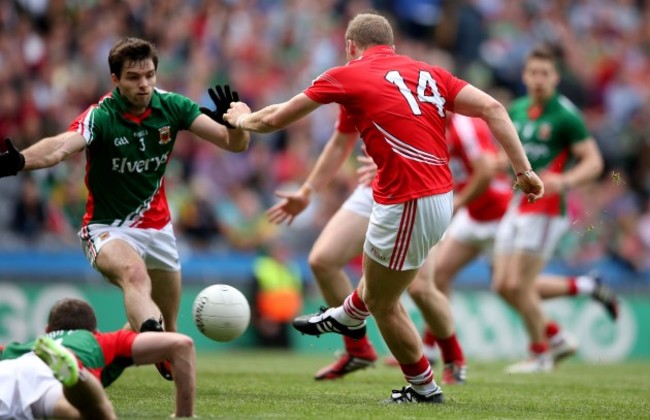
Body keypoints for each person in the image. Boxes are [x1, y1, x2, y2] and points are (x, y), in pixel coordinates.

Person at [224, 12, 542, 403]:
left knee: (388, 300)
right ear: (392, 45)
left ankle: (419, 379)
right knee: (364, 284)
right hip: (429, 195)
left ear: (349, 46)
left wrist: (241, 119)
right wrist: (523, 170)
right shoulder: (429, 72)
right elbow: (494, 106)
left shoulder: (347, 74)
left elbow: (274, 118)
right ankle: (351, 320)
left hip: (409, 197)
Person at [0, 37, 250, 380]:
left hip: (158, 228)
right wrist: (21, 160)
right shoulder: (101, 116)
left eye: (149, 75)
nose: (144, 83)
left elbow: (232, 144)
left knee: (166, 323)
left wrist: (236, 126)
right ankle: (155, 345)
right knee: (135, 276)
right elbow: (62, 147)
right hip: (106, 228)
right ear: (115, 79)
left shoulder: (173, 107)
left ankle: (105, 360)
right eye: (133, 77)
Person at [266, 106, 466, 385]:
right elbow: (339, 143)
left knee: (420, 288)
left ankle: (454, 359)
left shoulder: (410, 82)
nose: (351, 58)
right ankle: (358, 349)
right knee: (323, 260)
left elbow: (449, 141)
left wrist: (398, 159)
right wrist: (307, 191)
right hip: (374, 186)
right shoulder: (352, 88)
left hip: (417, 188)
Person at [492, 45, 604, 373]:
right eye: (533, 73)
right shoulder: (518, 109)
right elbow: (513, 156)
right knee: (501, 285)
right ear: (525, 76)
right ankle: (557, 337)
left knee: (520, 286)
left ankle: (540, 353)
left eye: (545, 73)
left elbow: (595, 162)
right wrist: (499, 164)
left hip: (547, 207)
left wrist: (565, 181)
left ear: (555, 77)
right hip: (518, 204)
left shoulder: (566, 116)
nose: (539, 79)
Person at [0, 298, 196, 419]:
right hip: (55, 377)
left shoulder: (21, 347)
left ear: (47, 331)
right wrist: (184, 414)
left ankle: (75, 376)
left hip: (11, 369)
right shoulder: (100, 340)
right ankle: (77, 378)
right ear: (95, 331)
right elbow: (182, 344)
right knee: (92, 415)